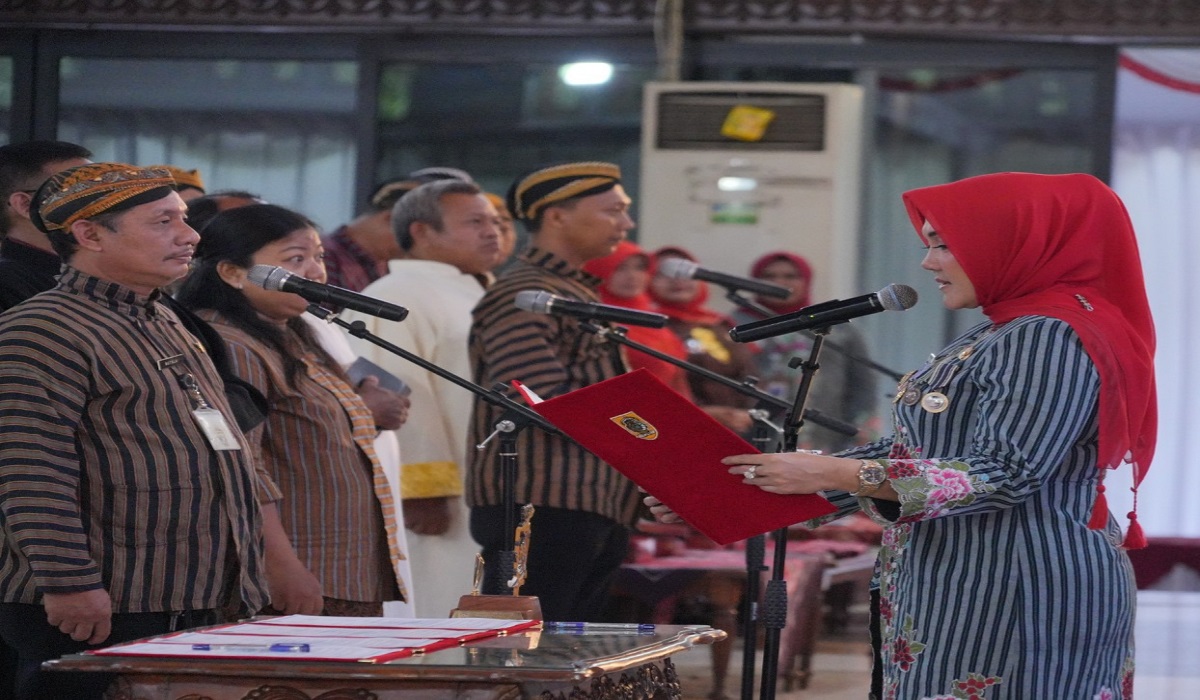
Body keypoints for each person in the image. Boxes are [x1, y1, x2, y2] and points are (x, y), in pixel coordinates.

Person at [651, 172, 1154, 699]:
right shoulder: (1004, 328)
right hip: (969, 574)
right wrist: (732, 491)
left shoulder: (1046, 333)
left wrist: (836, 471)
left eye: (944, 244)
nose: (927, 262)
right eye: (926, 245)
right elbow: (922, 455)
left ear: (1012, 240)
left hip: (1017, 586)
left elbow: (1005, 472)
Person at [0, 163, 270, 700]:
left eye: (184, 219)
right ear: (90, 234)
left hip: (200, 591)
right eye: (162, 221)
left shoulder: (163, 316)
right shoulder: (42, 329)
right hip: (109, 601)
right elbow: (31, 471)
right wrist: (70, 582)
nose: (189, 235)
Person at [177, 203, 410, 617]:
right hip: (300, 571)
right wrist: (282, 567)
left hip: (342, 570)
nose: (316, 273)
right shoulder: (232, 344)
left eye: (318, 257)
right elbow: (242, 466)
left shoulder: (293, 333)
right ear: (232, 273)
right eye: (295, 260)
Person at [467, 161, 639, 622]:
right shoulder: (525, 292)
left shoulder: (572, 291)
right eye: (614, 211)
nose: (626, 223)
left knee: (565, 656)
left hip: (589, 499)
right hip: (543, 502)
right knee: (527, 657)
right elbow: (538, 397)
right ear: (556, 216)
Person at [347, 178, 502, 617]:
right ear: (421, 232)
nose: (492, 232)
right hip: (442, 493)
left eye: (494, 221)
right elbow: (394, 390)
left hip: (489, 482)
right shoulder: (392, 296)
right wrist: (420, 488)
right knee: (440, 601)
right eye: (475, 222)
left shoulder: (481, 291)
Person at [730, 251, 879, 452]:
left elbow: (863, 385)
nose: (779, 282)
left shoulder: (834, 325)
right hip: (754, 437)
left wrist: (860, 432)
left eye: (790, 276)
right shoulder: (734, 328)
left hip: (825, 437)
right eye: (769, 276)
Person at [649, 245, 757, 434]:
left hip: (741, 428)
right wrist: (702, 412)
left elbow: (750, 372)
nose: (678, 280)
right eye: (663, 273)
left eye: (687, 272)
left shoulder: (719, 323)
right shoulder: (649, 326)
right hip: (681, 429)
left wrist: (749, 413)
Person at [322, 166, 473, 294]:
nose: (424, 243)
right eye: (421, 232)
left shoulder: (386, 263)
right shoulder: (322, 258)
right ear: (392, 219)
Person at [581, 240, 693, 398]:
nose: (632, 276)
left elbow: (678, 385)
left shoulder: (652, 319)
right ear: (599, 270)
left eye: (640, 268)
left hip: (667, 414)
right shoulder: (591, 321)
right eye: (620, 268)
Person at [0, 140, 92, 312]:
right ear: (26, 205)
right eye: (82, 191)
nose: (105, 203)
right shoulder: (8, 284)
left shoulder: (95, 275)